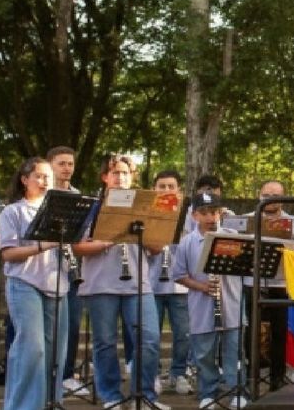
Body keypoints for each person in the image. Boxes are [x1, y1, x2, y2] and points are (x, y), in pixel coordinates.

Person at [72, 154, 168, 409]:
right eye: (115, 173)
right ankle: (111, 396)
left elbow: (157, 248)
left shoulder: (145, 207)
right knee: (105, 342)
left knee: (149, 339)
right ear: (105, 177)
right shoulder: (91, 207)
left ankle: (144, 396)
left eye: (125, 173)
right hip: (100, 284)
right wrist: (107, 241)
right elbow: (76, 248)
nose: (121, 177)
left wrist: (141, 233)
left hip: (138, 283)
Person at [0, 157, 71, 409]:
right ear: (24, 179)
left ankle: (52, 402)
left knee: (56, 354)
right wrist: (43, 245)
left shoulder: (61, 213)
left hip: (57, 283)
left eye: (47, 176)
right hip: (24, 282)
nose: (43, 181)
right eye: (38, 176)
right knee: (32, 350)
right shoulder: (14, 211)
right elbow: (8, 254)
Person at [174, 192, 246, 409]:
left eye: (214, 212)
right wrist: (203, 286)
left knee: (234, 351)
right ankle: (208, 392)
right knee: (204, 353)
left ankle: (238, 390)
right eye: (204, 213)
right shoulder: (187, 242)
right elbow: (179, 275)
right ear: (195, 215)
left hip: (231, 304)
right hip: (202, 308)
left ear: (221, 213)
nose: (210, 217)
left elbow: (245, 267)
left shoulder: (232, 236)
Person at [243, 179, 294, 389]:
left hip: (280, 284)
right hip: (252, 283)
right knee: (252, 331)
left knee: (279, 333)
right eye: (266, 195)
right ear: (259, 195)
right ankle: (251, 377)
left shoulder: (293, 221)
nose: (270, 199)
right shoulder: (248, 220)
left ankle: (277, 379)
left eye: (275, 195)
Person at [47, 145, 89, 397]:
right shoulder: (42, 192)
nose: (67, 169)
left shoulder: (77, 196)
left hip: (69, 267)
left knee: (72, 324)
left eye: (70, 164)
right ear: (50, 164)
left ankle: (66, 375)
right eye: (61, 163)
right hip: (42, 267)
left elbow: (82, 234)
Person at [150, 170, 192, 396]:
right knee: (151, 333)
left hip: (180, 285)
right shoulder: (147, 213)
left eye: (171, 186)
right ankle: (153, 374)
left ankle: (179, 373)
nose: (167, 190)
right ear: (154, 190)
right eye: (162, 186)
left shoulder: (189, 216)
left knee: (183, 334)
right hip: (152, 283)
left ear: (179, 190)